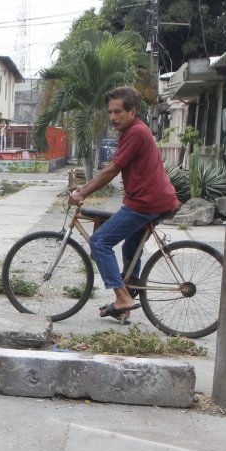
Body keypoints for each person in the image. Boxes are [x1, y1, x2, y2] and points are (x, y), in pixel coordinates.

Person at [67, 86, 180, 319]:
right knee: (130, 248)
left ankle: (122, 297)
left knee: (99, 241)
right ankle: (125, 307)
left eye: (117, 112)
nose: (112, 117)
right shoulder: (130, 132)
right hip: (151, 200)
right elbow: (113, 169)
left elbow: (112, 170)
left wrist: (83, 192)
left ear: (133, 111)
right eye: (110, 112)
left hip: (145, 203)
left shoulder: (136, 132)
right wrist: (86, 187)